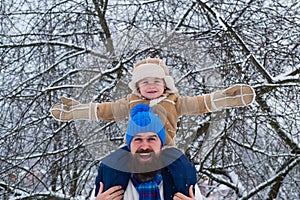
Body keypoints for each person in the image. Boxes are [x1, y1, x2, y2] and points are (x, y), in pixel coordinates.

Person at [50, 58, 256, 145]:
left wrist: (225, 99)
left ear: (165, 84)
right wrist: (76, 111)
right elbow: (105, 110)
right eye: (145, 82)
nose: (151, 85)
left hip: (165, 147)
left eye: (156, 81)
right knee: (119, 171)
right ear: (137, 87)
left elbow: (199, 104)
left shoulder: (174, 101)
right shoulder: (130, 102)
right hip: (133, 147)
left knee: (176, 172)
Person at [94, 104, 203, 200]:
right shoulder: (110, 177)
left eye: (151, 139)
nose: (145, 146)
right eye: (138, 139)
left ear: (161, 145)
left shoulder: (181, 176)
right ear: (129, 146)